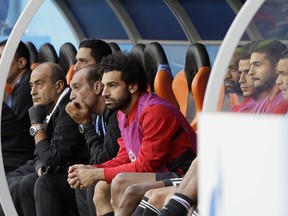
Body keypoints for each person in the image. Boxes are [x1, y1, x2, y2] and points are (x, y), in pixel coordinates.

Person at [67, 52, 197, 216]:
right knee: (101, 188)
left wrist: (96, 174)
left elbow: (145, 167)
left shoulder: (154, 111)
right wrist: (92, 169)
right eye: (104, 85)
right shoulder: (123, 114)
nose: (105, 93)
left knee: (121, 182)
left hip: (183, 176)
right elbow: (125, 157)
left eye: (113, 85)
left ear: (132, 86)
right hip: (159, 173)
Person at [19, 62, 89, 216]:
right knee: (21, 182)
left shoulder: (68, 108)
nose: (33, 92)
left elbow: (51, 160)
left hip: (79, 174)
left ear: (58, 86)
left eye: (39, 84)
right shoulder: (49, 107)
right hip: (62, 171)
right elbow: (40, 155)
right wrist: (40, 166)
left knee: (44, 183)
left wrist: (37, 126)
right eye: (31, 85)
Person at [66, 64, 120, 216]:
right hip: (115, 168)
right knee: (80, 183)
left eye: (77, 87)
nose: (71, 96)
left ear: (97, 87)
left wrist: (85, 124)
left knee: (94, 184)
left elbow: (104, 158)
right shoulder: (96, 115)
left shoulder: (115, 113)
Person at [0, 39, 33, 131]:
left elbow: (11, 127)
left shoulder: (27, 85)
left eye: (1, 58)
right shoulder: (15, 85)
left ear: (21, 63)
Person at [248, 39, 288, 114]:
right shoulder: (262, 104)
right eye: (251, 65)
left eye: (257, 64)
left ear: (276, 68)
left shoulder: (283, 103)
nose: (250, 72)